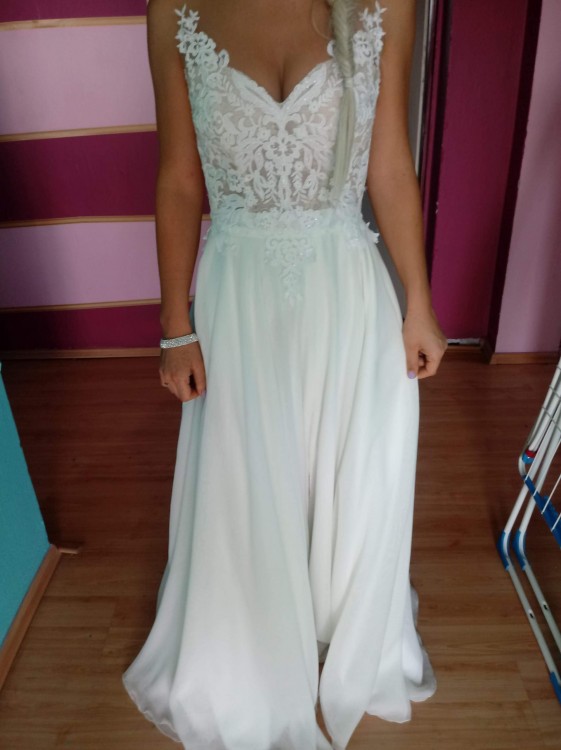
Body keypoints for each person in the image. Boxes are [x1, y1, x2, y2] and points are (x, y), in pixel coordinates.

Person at [122, 0, 447, 748]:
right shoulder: (176, 9)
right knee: (247, 474)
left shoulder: (385, 5)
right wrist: (175, 326)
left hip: (347, 286)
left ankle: (334, 621)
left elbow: (389, 166)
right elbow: (179, 180)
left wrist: (419, 305)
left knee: (351, 473)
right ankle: (250, 641)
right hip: (237, 294)